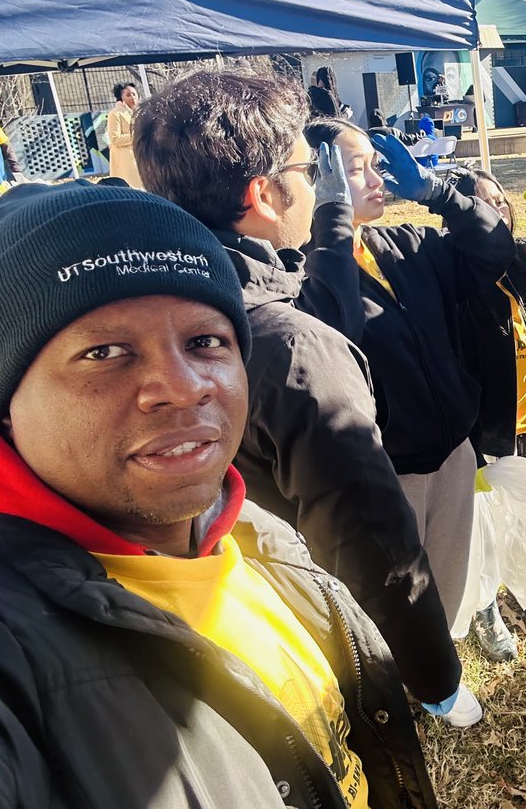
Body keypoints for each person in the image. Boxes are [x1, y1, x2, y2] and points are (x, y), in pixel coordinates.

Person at [0, 181, 438, 808]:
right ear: (5, 405)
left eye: (205, 342)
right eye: (105, 352)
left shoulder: (250, 533)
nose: (181, 385)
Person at [132, 70, 480, 727]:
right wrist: (436, 674)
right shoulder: (290, 344)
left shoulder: (161, 297)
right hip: (311, 626)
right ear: (264, 192)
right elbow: (374, 544)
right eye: (309, 168)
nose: (325, 186)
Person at [298, 117, 514, 633]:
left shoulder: (406, 244)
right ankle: (411, 685)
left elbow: (495, 250)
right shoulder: (303, 275)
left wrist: (438, 192)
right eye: (357, 169)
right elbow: (334, 332)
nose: (378, 180)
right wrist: (330, 224)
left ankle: (442, 674)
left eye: (377, 166)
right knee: (396, 610)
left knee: (448, 588)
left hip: (453, 455)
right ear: (316, 180)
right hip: (390, 472)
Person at [453, 167, 526, 661]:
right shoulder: (454, 275)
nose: (495, 211)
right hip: (483, 430)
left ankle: (523, 588)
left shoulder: (524, 262)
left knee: (521, 512)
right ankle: (484, 608)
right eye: (479, 204)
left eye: (500, 201)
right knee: (482, 522)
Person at [105, 82, 143, 188]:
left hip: (139, 156)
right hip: (126, 159)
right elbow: (115, 138)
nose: (133, 97)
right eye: (128, 95)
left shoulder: (138, 113)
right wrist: (138, 136)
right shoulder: (115, 113)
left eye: (134, 94)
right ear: (120, 97)